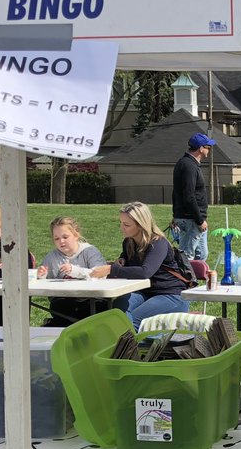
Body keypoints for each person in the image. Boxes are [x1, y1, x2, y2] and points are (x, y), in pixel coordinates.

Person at [90, 201, 190, 329]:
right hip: (144, 293)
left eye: (126, 224)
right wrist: (121, 261)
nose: (122, 227)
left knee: (133, 323)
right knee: (116, 313)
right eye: (121, 223)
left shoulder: (158, 243)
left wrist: (111, 269)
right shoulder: (129, 242)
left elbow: (145, 272)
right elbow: (126, 262)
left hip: (171, 295)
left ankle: (142, 341)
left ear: (141, 225)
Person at [36, 215, 108, 327]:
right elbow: (43, 283)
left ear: (76, 235)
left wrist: (75, 271)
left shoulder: (89, 251)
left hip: (91, 299)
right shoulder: (52, 257)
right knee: (61, 306)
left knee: (97, 307)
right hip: (65, 300)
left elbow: (101, 274)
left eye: (65, 237)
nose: (61, 241)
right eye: (56, 238)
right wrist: (41, 276)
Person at [171, 131, 213, 261]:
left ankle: (196, 274)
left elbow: (177, 191)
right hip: (191, 219)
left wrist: (176, 214)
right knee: (187, 257)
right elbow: (189, 196)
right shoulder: (189, 166)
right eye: (208, 147)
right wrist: (199, 220)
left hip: (187, 217)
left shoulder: (185, 163)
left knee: (201, 255)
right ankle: (184, 275)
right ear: (200, 149)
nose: (209, 150)